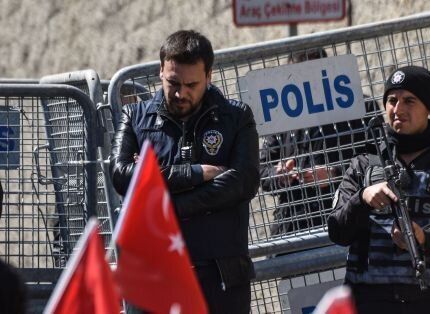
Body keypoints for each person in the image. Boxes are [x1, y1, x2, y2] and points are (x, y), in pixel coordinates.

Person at [109, 30, 259, 314]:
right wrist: (195, 174)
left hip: (220, 274)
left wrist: (166, 202)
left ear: (209, 76)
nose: (181, 93)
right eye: (173, 82)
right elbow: (121, 174)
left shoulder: (237, 117)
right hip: (153, 275)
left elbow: (243, 182)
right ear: (160, 71)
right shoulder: (136, 117)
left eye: (192, 84)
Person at [327, 65, 430, 313]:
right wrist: (362, 199)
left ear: (429, 108)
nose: (398, 109)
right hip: (372, 301)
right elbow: (337, 231)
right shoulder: (363, 166)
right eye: (392, 100)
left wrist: (425, 238)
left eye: (409, 100)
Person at [260, 49, 377, 236]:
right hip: (293, 221)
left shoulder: (360, 107)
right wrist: (279, 174)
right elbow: (262, 170)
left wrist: (336, 173)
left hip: (346, 215)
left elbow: (379, 159)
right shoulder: (281, 115)